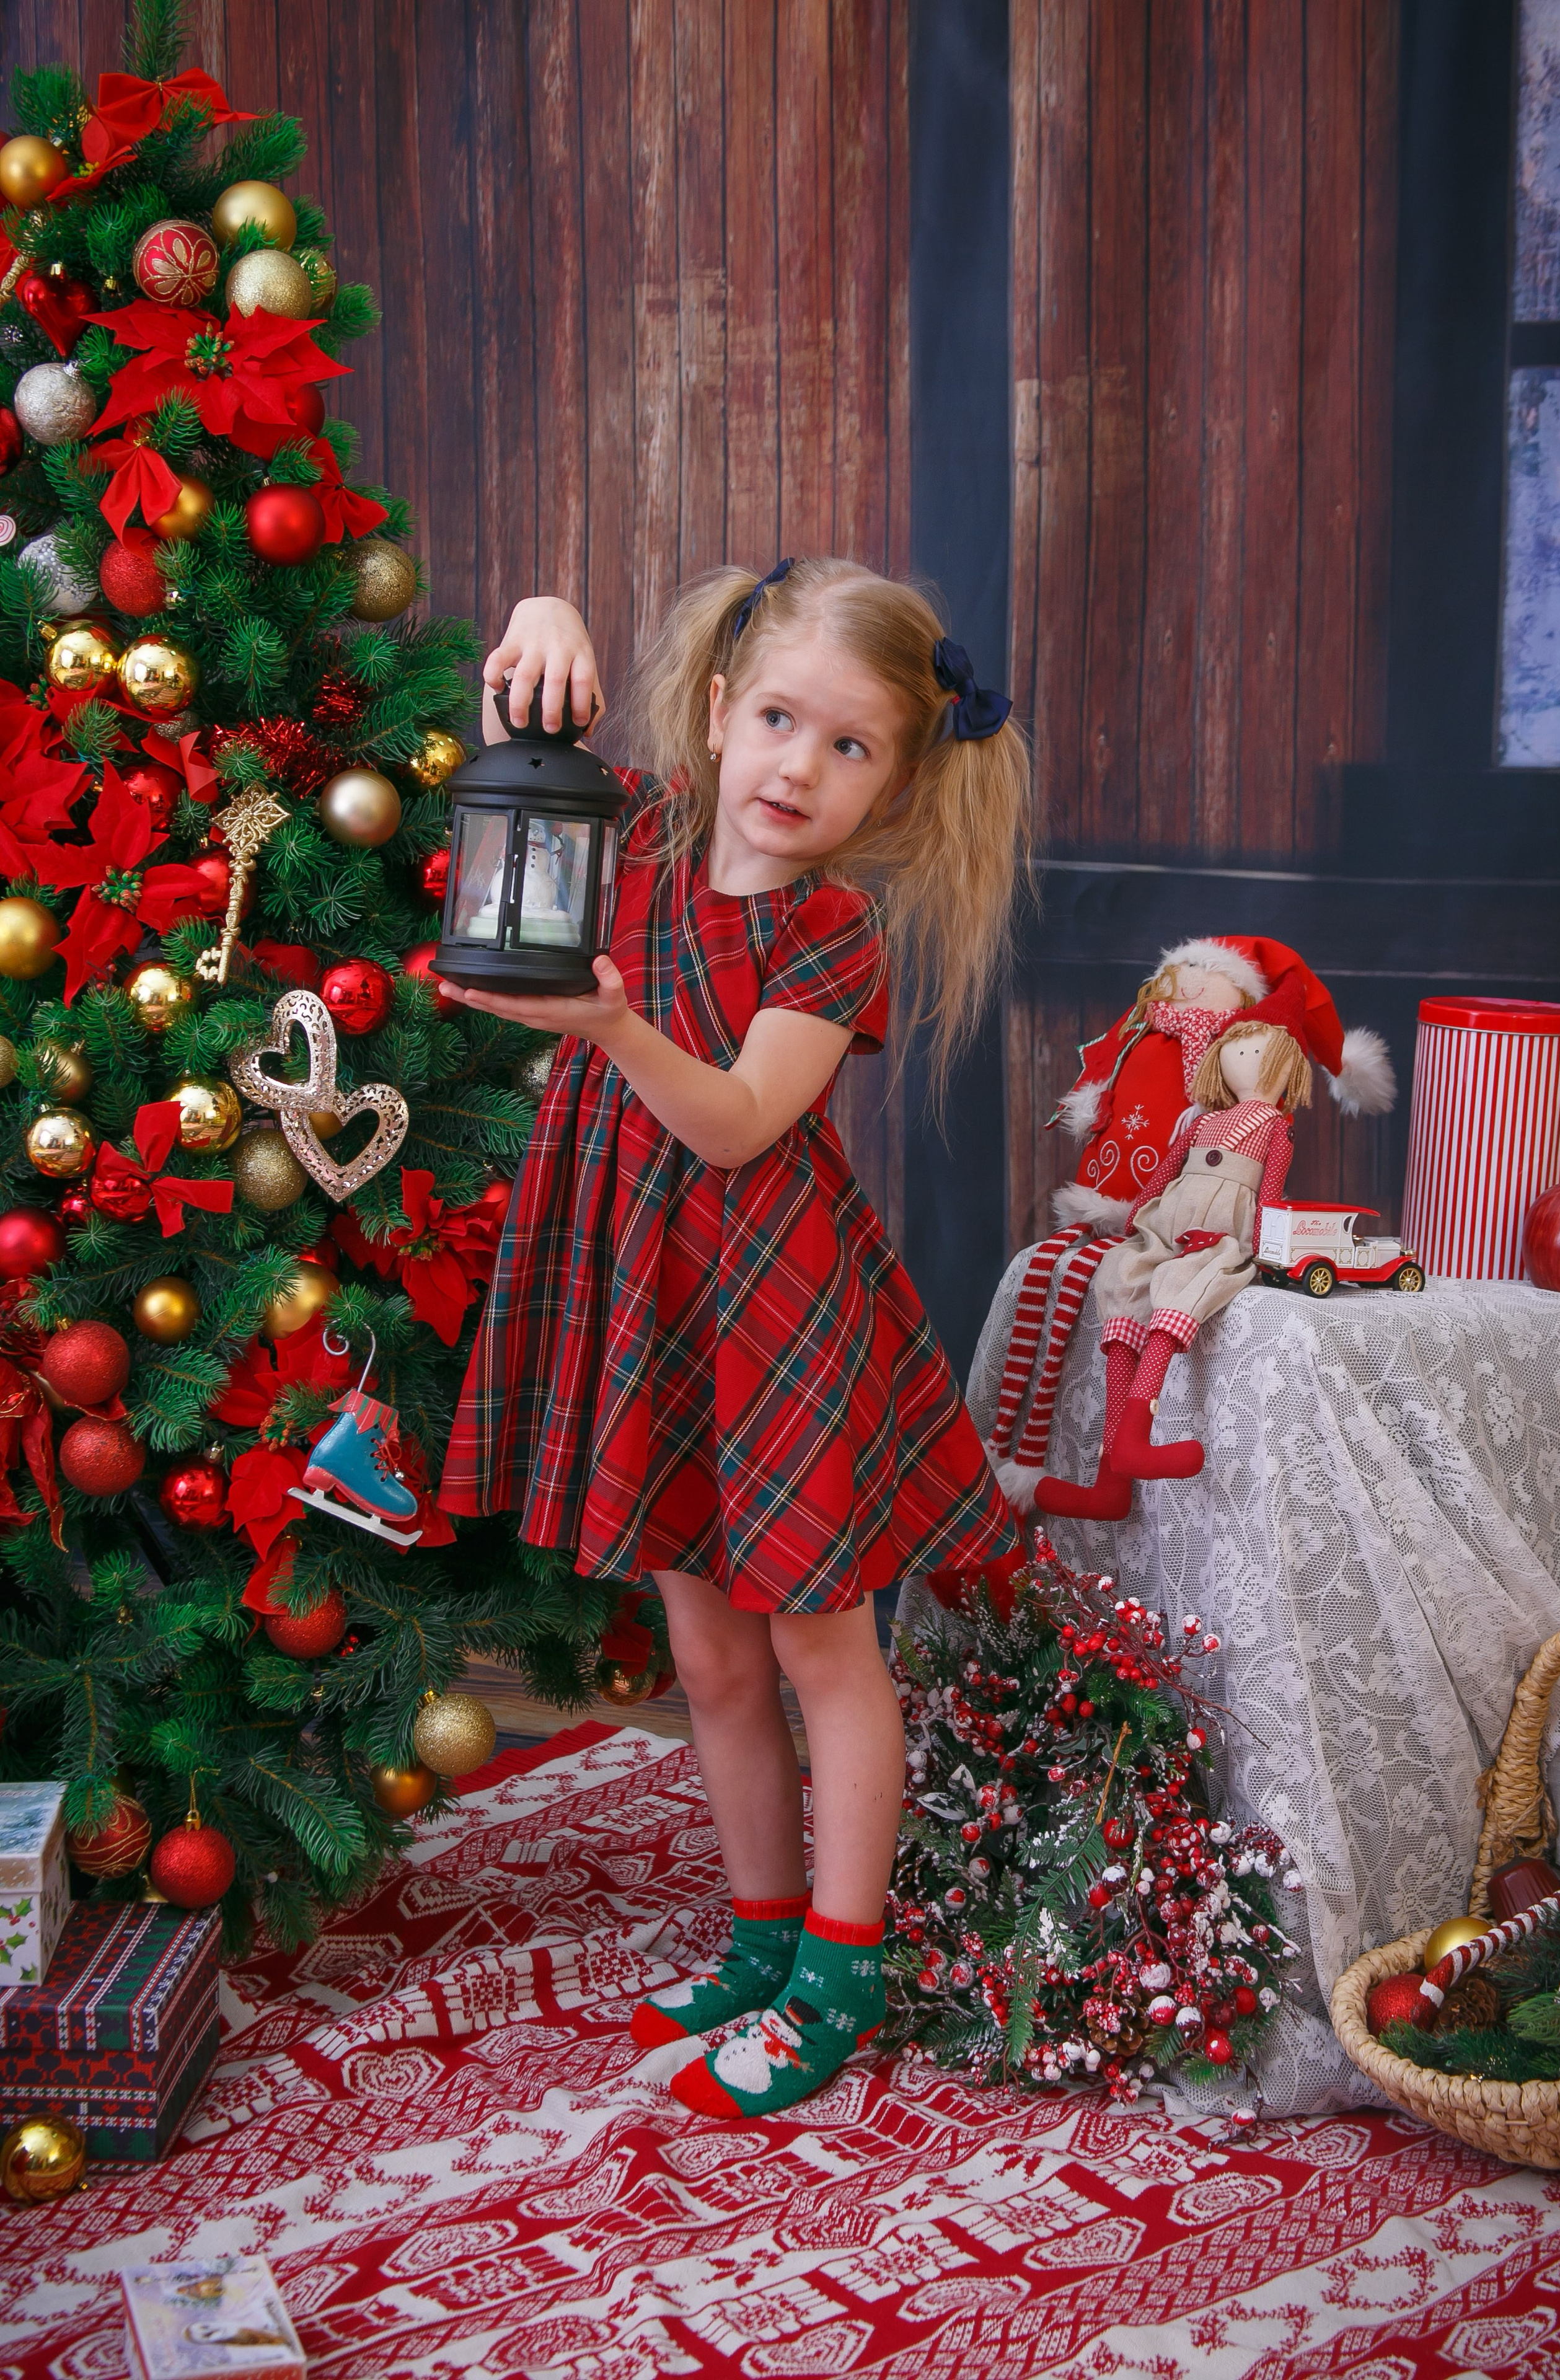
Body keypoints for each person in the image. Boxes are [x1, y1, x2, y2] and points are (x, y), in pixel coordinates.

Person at [437, 559, 1031, 2117]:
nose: (797, 769)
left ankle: (842, 1965)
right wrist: (544, 615)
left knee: (815, 1640)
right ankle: (763, 1934)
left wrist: (610, 1024)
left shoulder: (829, 940)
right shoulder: (626, 834)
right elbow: (512, 733)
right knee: (705, 1651)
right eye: (775, 719)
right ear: (715, 714)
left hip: (771, 1307)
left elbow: (733, 1123)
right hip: (643, 1296)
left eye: (851, 747)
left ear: (895, 781)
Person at [1035, 982, 1314, 1522]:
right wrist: (1137, 1215)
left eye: (1259, 1050)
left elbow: (1271, 1193)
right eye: (1237, 1047)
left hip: (1217, 1236)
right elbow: (1166, 1174)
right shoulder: (1201, 1121)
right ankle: (1109, 1480)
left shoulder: (1275, 1129)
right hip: (1166, 1227)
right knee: (1123, 1277)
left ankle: (1134, 1439)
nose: (1245, 1057)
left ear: (1286, 1064)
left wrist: (1266, 1249)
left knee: (1182, 1288)